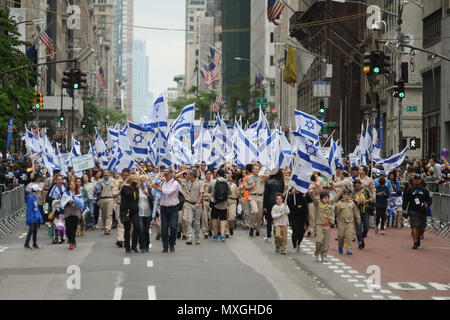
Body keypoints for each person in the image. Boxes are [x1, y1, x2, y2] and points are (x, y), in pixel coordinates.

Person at [309, 186, 342, 263]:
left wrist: (341, 191)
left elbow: (335, 198)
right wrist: (311, 193)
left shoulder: (330, 204)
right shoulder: (318, 204)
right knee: (319, 241)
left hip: (327, 225)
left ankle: (324, 256)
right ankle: (317, 253)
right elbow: (314, 198)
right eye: (325, 198)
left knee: (326, 242)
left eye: (327, 198)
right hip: (319, 225)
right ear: (321, 199)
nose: (326, 200)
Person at [152, 168, 180, 253]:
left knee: (173, 227)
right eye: (165, 174)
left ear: (172, 174)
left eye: (167, 174)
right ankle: (165, 246)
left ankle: (172, 244)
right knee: (164, 229)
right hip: (164, 208)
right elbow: (155, 193)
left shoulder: (175, 183)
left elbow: (169, 191)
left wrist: (159, 189)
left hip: (173, 208)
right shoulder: (162, 183)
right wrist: (154, 186)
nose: (166, 176)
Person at [403, 174, 432, 249]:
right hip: (413, 211)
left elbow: (429, 200)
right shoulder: (409, 189)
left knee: (422, 228)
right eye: (415, 179)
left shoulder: (425, 190)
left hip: (422, 211)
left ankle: (418, 237)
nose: (416, 180)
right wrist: (404, 209)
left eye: (418, 179)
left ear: (421, 180)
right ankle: (415, 242)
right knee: (415, 226)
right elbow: (405, 200)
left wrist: (427, 204)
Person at [335, 188, 361, 255]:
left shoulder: (352, 202)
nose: (348, 196)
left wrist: (358, 220)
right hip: (341, 222)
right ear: (343, 195)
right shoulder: (339, 203)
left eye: (349, 195)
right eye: (347, 194)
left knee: (348, 236)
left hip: (350, 222)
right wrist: (336, 208)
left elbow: (355, 212)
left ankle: (348, 249)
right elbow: (336, 213)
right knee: (341, 236)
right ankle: (340, 246)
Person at [208, 168, 231, 242]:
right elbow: (230, 192)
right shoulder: (227, 182)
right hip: (223, 204)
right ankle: (222, 235)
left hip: (215, 203)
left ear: (217, 174)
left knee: (214, 219)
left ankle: (215, 235)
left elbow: (209, 190)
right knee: (223, 220)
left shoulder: (213, 181)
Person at [120, 175, 141, 253]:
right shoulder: (125, 188)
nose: (136, 182)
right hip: (126, 211)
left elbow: (136, 198)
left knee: (137, 227)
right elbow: (129, 195)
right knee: (127, 229)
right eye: (135, 180)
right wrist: (134, 187)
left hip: (135, 211)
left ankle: (134, 246)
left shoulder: (136, 189)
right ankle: (127, 246)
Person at [286, 189, 311, 253]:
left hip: (303, 215)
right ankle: (294, 246)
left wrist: (308, 193)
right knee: (295, 230)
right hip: (294, 215)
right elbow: (286, 200)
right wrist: (291, 194)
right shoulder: (291, 194)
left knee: (302, 231)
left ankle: (299, 243)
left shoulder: (304, 193)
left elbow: (310, 200)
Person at [263, 169, 285, 241]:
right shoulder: (281, 182)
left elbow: (265, 195)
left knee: (269, 219)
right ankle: (276, 234)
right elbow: (281, 193)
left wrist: (264, 206)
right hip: (278, 201)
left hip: (269, 201)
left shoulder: (268, 182)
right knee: (277, 219)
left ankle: (268, 236)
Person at [352, 179, 374, 249]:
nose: (357, 187)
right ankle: (360, 242)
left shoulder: (366, 190)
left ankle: (362, 237)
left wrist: (367, 201)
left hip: (365, 211)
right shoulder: (353, 191)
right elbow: (349, 198)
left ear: (360, 185)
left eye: (358, 186)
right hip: (357, 211)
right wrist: (355, 200)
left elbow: (372, 198)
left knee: (366, 227)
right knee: (359, 228)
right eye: (356, 186)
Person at [183, 169, 203, 245]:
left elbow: (202, 193)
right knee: (189, 221)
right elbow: (176, 177)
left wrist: (198, 202)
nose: (187, 176)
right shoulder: (187, 182)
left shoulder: (200, 182)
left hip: (197, 204)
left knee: (197, 222)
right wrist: (183, 171)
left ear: (192, 175)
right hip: (189, 203)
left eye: (189, 175)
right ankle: (189, 237)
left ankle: (197, 237)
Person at [62, 181, 83, 250]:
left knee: (73, 228)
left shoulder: (78, 194)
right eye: (71, 184)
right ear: (69, 186)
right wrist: (69, 203)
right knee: (68, 228)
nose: (72, 185)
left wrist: (75, 202)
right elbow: (63, 202)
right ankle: (72, 240)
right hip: (68, 212)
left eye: (73, 184)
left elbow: (81, 204)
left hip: (75, 212)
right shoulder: (66, 193)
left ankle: (71, 242)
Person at [24, 185, 44, 249]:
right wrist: (29, 218)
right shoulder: (31, 198)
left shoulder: (33, 197)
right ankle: (26, 243)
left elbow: (35, 207)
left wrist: (38, 216)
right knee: (31, 229)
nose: (38, 192)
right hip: (31, 216)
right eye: (38, 190)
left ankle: (34, 243)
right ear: (36, 190)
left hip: (34, 216)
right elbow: (29, 209)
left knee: (35, 230)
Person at [97, 169, 115, 235]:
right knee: (104, 214)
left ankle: (108, 228)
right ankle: (105, 225)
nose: (106, 175)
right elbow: (96, 189)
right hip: (102, 199)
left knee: (109, 214)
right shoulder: (100, 181)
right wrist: (98, 191)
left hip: (110, 198)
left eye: (107, 174)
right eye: (105, 174)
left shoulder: (113, 181)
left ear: (109, 174)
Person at [138, 176, 153, 253]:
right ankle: (142, 246)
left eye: (144, 181)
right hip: (139, 212)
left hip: (148, 212)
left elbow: (152, 199)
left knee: (146, 230)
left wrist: (147, 194)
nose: (142, 182)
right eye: (141, 181)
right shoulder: (137, 190)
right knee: (141, 230)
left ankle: (147, 245)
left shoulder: (149, 189)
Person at [225, 170, 238, 238]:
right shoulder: (224, 184)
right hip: (226, 200)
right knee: (226, 217)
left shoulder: (234, 185)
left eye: (230, 176)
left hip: (233, 201)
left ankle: (231, 227)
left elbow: (237, 194)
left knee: (232, 217)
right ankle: (226, 232)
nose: (229, 178)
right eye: (228, 177)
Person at [201, 169, 213, 239]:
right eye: (207, 173)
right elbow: (201, 192)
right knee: (204, 217)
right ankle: (205, 232)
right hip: (204, 200)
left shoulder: (213, 182)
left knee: (211, 217)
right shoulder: (202, 183)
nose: (209, 175)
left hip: (211, 200)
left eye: (210, 173)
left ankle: (210, 229)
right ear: (205, 174)